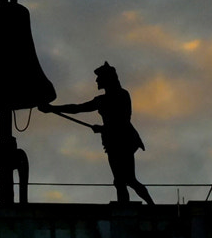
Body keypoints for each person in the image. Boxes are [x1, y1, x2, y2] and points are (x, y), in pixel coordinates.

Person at [43, 62, 154, 205]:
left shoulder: (121, 95)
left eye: (99, 77)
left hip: (124, 140)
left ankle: (147, 207)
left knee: (127, 179)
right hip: (112, 141)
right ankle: (125, 208)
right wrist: (53, 109)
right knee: (120, 181)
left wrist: (102, 128)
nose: (96, 80)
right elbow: (77, 108)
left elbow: (122, 120)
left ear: (107, 79)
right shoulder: (102, 100)